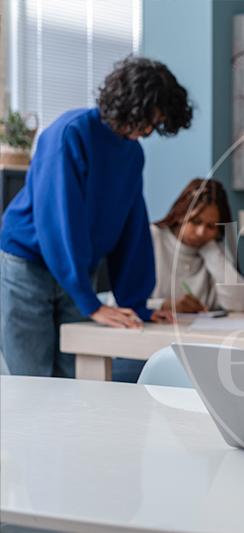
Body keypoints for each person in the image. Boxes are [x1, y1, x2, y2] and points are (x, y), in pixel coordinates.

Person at [0, 56, 192, 377]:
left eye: (155, 123)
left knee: (74, 383)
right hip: (28, 267)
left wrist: (138, 304)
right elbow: (58, 223)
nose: (146, 129)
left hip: (79, 271)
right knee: (31, 381)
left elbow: (132, 226)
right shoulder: (69, 134)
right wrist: (91, 303)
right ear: (126, 103)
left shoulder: (133, 153)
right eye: (144, 118)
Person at [148, 178, 244, 313]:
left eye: (211, 226)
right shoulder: (152, 238)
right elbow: (116, 303)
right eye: (195, 221)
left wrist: (211, 252)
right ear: (180, 214)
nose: (201, 233)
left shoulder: (215, 250)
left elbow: (241, 304)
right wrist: (165, 305)